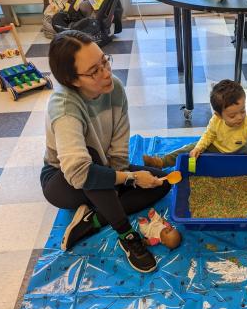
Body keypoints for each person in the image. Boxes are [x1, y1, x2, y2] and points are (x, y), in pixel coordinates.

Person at [40, 30, 171, 273]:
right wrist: (130, 179)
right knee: (92, 160)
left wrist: (122, 174)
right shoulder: (65, 106)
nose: (106, 72)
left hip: (102, 170)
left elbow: (119, 149)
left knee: (161, 182)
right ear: (73, 80)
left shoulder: (115, 89)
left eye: (104, 61)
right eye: (94, 71)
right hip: (62, 182)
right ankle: (126, 234)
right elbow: (79, 173)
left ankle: (94, 220)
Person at [143, 79, 247, 177]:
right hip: (215, 146)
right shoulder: (216, 120)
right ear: (219, 115)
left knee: (238, 170)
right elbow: (208, 135)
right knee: (189, 149)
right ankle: (161, 162)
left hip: (237, 154)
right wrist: (199, 149)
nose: (240, 117)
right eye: (233, 116)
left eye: (242, 111)